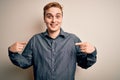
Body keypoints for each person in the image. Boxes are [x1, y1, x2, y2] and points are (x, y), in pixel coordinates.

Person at [8, 2, 97, 80]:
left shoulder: (73, 40)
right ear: (44, 19)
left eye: (57, 16)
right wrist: (12, 52)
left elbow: (84, 64)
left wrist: (92, 52)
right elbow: (24, 63)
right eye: (49, 16)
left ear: (62, 18)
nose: (54, 20)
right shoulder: (35, 40)